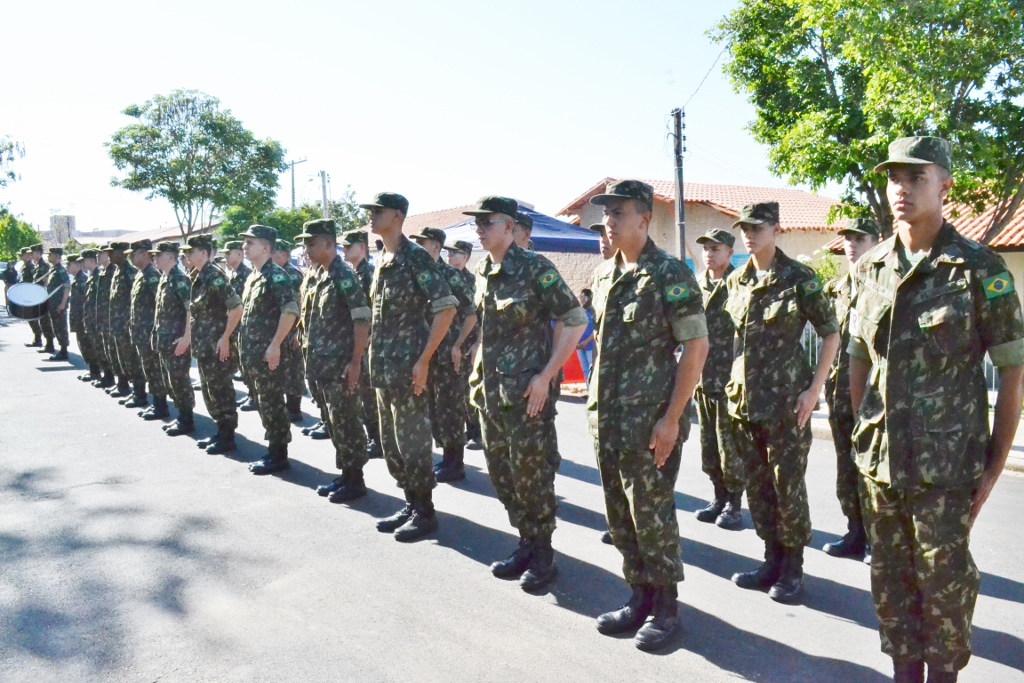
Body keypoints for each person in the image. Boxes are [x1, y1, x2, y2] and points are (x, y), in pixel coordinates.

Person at [848, 137, 1024, 683]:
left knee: (945, 593)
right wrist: (863, 432)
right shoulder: (871, 266)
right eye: (893, 179)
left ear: (944, 184)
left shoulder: (978, 268)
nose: (901, 189)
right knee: (892, 585)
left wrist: (994, 465)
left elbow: (1013, 369)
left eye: (915, 178)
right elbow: (858, 359)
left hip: (946, 470)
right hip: (881, 465)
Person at [584, 180, 708, 651]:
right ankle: (638, 597)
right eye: (607, 214)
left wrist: (672, 418)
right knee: (620, 515)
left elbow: (696, 347)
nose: (610, 221)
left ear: (644, 219)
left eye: (620, 213)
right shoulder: (603, 274)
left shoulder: (668, 273)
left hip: (649, 421)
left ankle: (667, 609)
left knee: (651, 516)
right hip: (607, 419)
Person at [468, 195, 586, 592]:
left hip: (526, 396)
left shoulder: (536, 267)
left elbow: (574, 318)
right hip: (491, 393)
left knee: (532, 477)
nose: (480, 229)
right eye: (477, 223)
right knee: (502, 475)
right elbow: (489, 330)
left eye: (488, 222)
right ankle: (524, 542)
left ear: (509, 227)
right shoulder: (484, 269)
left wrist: (548, 375)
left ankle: (544, 555)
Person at [726, 202, 840, 604]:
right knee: (758, 487)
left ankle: (793, 570)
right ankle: (770, 560)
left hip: (787, 404)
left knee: (787, 487)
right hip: (745, 403)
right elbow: (737, 340)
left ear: (776, 229)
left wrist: (814, 389)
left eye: (757, 227)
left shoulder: (799, 278)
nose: (749, 234)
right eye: (744, 227)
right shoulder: (736, 280)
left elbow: (830, 333)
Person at [361, 191, 456, 543]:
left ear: (398, 216)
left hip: (408, 368)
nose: (371, 216)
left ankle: (426, 512)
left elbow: (446, 308)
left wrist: (424, 359)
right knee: (392, 443)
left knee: (412, 442)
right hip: (384, 367)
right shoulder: (383, 258)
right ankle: (411, 503)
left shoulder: (415, 258)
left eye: (377, 211)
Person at [296, 219, 372, 502]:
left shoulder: (343, 275)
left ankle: (356, 480)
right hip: (320, 365)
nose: (307, 248)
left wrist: (355, 362)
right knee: (333, 421)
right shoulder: (317, 275)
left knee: (347, 422)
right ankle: (345, 474)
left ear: (329, 243)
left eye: (311, 243)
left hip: (340, 365)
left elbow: (362, 318)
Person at [821, 218, 880, 562]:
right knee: (847, 469)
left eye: (860, 238)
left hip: (876, 399)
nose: (852, 245)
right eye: (847, 239)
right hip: (839, 394)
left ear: (876, 241)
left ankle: (878, 539)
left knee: (874, 471)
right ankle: (855, 532)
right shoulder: (835, 289)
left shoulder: (886, 287)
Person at [410, 227, 477, 483]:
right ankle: (444, 456)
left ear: (436, 247)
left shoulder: (452, 276)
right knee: (433, 408)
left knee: (450, 408)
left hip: (449, 354)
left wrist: (459, 344)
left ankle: (454, 462)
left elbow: (472, 313)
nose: (418, 247)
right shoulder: (418, 273)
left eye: (423, 243)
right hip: (425, 352)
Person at [237, 225, 300, 475]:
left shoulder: (276, 275)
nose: (244, 246)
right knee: (264, 401)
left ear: (265, 247)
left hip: (268, 354)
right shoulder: (254, 276)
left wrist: (275, 345)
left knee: (272, 403)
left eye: (250, 243)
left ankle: (279, 454)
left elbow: (290, 310)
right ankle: (273, 450)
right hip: (253, 354)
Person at [693, 228, 744, 530]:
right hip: (701, 377)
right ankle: (717, 498)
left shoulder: (738, 285)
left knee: (730, 447)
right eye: (706, 249)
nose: (709, 254)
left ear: (729, 252)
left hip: (729, 377)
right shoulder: (696, 285)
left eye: (716, 248)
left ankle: (734, 505)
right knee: (708, 445)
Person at [183, 235, 243, 454]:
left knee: (221, 390)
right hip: (204, 346)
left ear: (205, 253)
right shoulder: (198, 276)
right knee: (210, 391)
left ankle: (228, 437)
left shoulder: (214, 276)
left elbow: (236, 307)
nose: (187, 255)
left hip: (216, 346)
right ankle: (220, 431)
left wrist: (225, 337)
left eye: (192, 251)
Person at [343, 229, 383, 458]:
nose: (345, 251)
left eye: (349, 247)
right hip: (359, 342)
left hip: (368, 344)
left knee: (369, 395)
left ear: (361, 248)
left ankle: (378, 441)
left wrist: (368, 337)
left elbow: (374, 310)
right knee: (363, 394)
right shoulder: (355, 273)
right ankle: (373, 437)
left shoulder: (368, 273)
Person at [150, 241, 195, 435]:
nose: (155, 258)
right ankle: (180, 416)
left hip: (177, 340)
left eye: (158, 255)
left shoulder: (180, 279)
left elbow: (190, 310)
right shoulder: (164, 278)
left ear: (170, 257)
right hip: (165, 339)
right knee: (170, 380)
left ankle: (187, 420)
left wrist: (187, 337)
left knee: (179, 380)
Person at [443, 238, 482, 451]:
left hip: (466, 342)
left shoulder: (472, 281)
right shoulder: (444, 278)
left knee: (468, 389)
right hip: (447, 341)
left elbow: (480, 314)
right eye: (448, 253)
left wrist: (478, 342)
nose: (449, 256)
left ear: (465, 257)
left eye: (454, 253)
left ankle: (475, 431)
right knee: (451, 391)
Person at [127, 240, 169, 419]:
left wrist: (156, 330)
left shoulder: (152, 276)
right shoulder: (140, 274)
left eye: (133, 253)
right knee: (147, 369)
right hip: (141, 333)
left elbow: (160, 305)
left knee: (153, 369)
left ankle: (160, 406)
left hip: (150, 332)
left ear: (145, 255)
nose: (130, 257)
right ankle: (155, 403)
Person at [271, 239, 307, 423]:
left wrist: (297, 332)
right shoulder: (276, 273)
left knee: (294, 370)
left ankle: (294, 409)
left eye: (274, 251)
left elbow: (299, 305)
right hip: (282, 328)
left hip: (292, 331)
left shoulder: (292, 275)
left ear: (284, 255)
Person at [109, 242, 145, 404]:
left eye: (113, 252)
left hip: (128, 326)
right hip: (118, 324)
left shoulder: (131, 273)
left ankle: (140, 393)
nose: (109, 255)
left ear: (121, 254)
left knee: (133, 361)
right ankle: (126, 387)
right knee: (123, 358)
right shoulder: (118, 272)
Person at [224, 239, 257, 412]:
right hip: (236, 328)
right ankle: (252, 394)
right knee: (241, 364)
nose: (226, 257)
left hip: (244, 327)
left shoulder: (245, 274)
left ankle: (254, 395)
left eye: (228, 253)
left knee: (247, 365)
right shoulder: (234, 274)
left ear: (239, 254)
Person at [85, 247, 114, 387]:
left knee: (112, 353)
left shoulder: (114, 272)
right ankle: (108, 378)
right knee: (103, 351)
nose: (97, 256)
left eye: (100, 254)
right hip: (99, 319)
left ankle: (118, 382)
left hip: (111, 320)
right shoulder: (102, 272)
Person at [41, 247, 71, 362]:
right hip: (52, 304)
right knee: (55, 327)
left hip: (58, 304)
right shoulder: (53, 269)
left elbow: (67, 286)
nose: (48, 256)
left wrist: (63, 303)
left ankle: (64, 351)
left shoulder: (60, 270)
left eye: (51, 255)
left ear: (57, 257)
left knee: (60, 327)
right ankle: (57, 348)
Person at [29, 243, 55, 353]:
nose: (31, 256)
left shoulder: (44, 266)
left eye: (33, 253)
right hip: (38, 297)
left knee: (45, 321)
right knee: (41, 320)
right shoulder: (37, 266)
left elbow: (45, 283)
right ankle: (44, 342)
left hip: (43, 297)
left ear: (39, 254)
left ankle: (50, 344)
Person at [575, 288, 595, 381]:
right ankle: (588, 391)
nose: (582, 299)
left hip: (590, 346)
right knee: (585, 370)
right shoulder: (579, 312)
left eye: (585, 297)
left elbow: (596, 330)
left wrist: (586, 342)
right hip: (579, 346)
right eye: (581, 297)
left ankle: (593, 392)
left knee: (592, 369)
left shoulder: (593, 311)